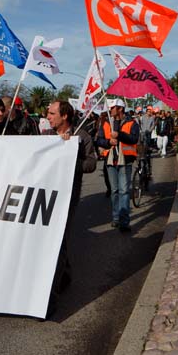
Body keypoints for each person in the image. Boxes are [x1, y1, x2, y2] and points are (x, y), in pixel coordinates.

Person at [44, 99, 98, 315]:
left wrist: (69, 155)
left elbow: (91, 164)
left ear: (64, 116)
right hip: (46, 194)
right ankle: (64, 274)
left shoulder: (81, 137)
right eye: (48, 113)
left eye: (51, 113)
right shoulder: (46, 137)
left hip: (68, 195)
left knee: (60, 239)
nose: (47, 117)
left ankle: (52, 295)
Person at [95, 99, 140, 232]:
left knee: (124, 191)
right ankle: (115, 218)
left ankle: (124, 222)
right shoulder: (106, 122)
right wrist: (109, 142)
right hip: (110, 161)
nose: (110, 110)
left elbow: (134, 139)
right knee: (114, 191)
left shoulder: (132, 123)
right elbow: (99, 140)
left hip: (125, 161)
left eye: (113, 107)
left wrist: (119, 135)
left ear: (120, 108)